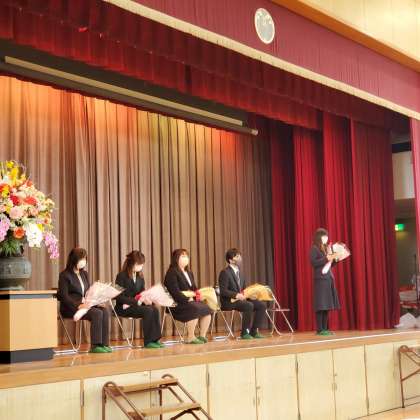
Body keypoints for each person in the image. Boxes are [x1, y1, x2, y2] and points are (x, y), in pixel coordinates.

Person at [58, 247, 111, 353]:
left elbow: (88, 293)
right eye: (81, 259)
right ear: (74, 259)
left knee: (104, 311)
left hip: (85, 305)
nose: (84, 262)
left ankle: (104, 344)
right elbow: (64, 296)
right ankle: (95, 346)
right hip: (70, 307)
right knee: (97, 313)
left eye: (85, 259)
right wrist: (78, 305)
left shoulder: (84, 274)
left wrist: (96, 302)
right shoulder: (64, 275)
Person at [115, 251, 163, 349]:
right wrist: (136, 301)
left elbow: (142, 291)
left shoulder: (140, 276)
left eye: (141, 264)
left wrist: (147, 298)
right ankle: (149, 341)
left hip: (137, 305)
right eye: (138, 264)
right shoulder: (121, 276)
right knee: (148, 311)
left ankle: (155, 339)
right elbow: (119, 297)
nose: (140, 266)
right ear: (131, 263)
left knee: (154, 309)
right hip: (124, 307)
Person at [164, 249, 213, 344]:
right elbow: (174, 292)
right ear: (176, 259)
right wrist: (187, 299)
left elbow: (194, 288)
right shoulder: (172, 272)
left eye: (186, 256)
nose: (186, 258)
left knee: (207, 309)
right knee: (194, 308)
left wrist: (200, 294)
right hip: (177, 303)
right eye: (183, 256)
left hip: (190, 301)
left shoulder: (189, 273)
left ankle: (202, 335)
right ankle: (190, 336)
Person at [218, 248, 266, 339]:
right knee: (248, 305)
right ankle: (244, 333)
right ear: (231, 260)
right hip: (229, 302)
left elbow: (243, 290)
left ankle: (254, 331)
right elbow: (223, 291)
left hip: (241, 300)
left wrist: (250, 295)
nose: (240, 258)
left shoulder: (240, 273)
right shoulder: (225, 272)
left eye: (240, 256)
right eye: (237, 256)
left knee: (261, 305)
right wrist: (236, 295)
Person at [310, 228, 340, 336]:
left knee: (327, 304)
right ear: (319, 237)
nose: (326, 238)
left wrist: (335, 259)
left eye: (327, 236)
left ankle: (325, 328)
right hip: (320, 280)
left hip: (328, 279)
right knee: (321, 304)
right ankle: (320, 329)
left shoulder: (325, 249)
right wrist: (327, 258)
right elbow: (314, 262)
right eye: (324, 236)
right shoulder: (314, 248)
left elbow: (329, 264)